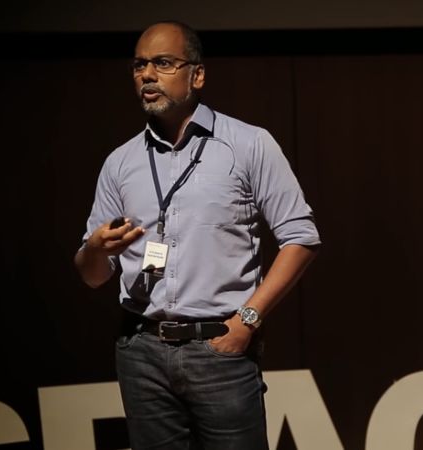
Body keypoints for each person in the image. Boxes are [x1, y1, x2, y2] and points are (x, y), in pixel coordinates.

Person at [74, 20, 320, 450]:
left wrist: (247, 321)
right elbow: (93, 275)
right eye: (139, 65)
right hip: (142, 351)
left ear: (197, 75)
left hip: (220, 348)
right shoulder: (120, 162)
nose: (148, 75)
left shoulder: (248, 144)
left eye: (163, 63)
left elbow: (301, 237)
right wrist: (94, 250)